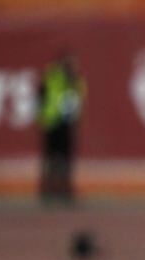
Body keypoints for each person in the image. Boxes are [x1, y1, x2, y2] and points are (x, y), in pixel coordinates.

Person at [38, 53, 86, 204]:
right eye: (69, 63)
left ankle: (65, 191)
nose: (72, 67)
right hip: (52, 122)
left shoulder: (77, 81)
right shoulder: (52, 77)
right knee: (51, 159)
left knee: (66, 160)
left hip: (67, 124)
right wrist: (42, 118)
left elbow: (78, 102)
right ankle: (47, 190)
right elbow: (41, 96)